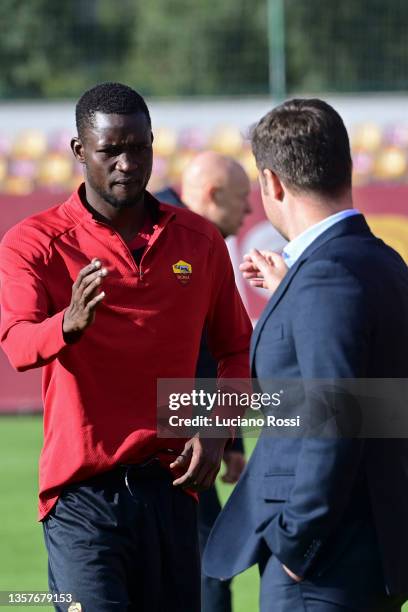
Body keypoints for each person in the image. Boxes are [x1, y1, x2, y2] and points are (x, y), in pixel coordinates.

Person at [0, 82, 252, 612]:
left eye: (138, 148)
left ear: (153, 146)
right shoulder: (34, 243)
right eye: (110, 150)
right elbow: (17, 345)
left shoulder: (200, 241)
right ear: (78, 151)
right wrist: (66, 324)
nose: (126, 164)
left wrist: (217, 428)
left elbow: (236, 350)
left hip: (173, 486)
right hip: (82, 497)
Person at [203, 98, 408, 611]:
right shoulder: (382, 262)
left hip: (324, 566)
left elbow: (334, 418)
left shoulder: (326, 277)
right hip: (366, 550)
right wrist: (291, 291)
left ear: (271, 183)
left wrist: (299, 541)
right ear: (347, 167)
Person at [156, 151, 251, 612]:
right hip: (161, 432)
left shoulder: (197, 239)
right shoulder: (158, 230)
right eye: (242, 200)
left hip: (186, 427)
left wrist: (230, 439)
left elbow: (217, 343)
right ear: (212, 196)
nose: (249, 212)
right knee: (208, 552)